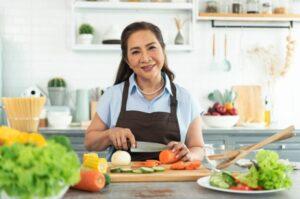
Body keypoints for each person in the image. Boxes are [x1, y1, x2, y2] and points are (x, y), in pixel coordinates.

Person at [85, 21, 205, 161]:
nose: (145, 58)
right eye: (136, 52)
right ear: (127, 60)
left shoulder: (185, 98)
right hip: (123, 181)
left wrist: (190, 155)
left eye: (151, 48)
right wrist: (109, 135)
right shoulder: (112, 95)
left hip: (172, 180)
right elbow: (89, 142)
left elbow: (198, 148)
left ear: (163, 49)